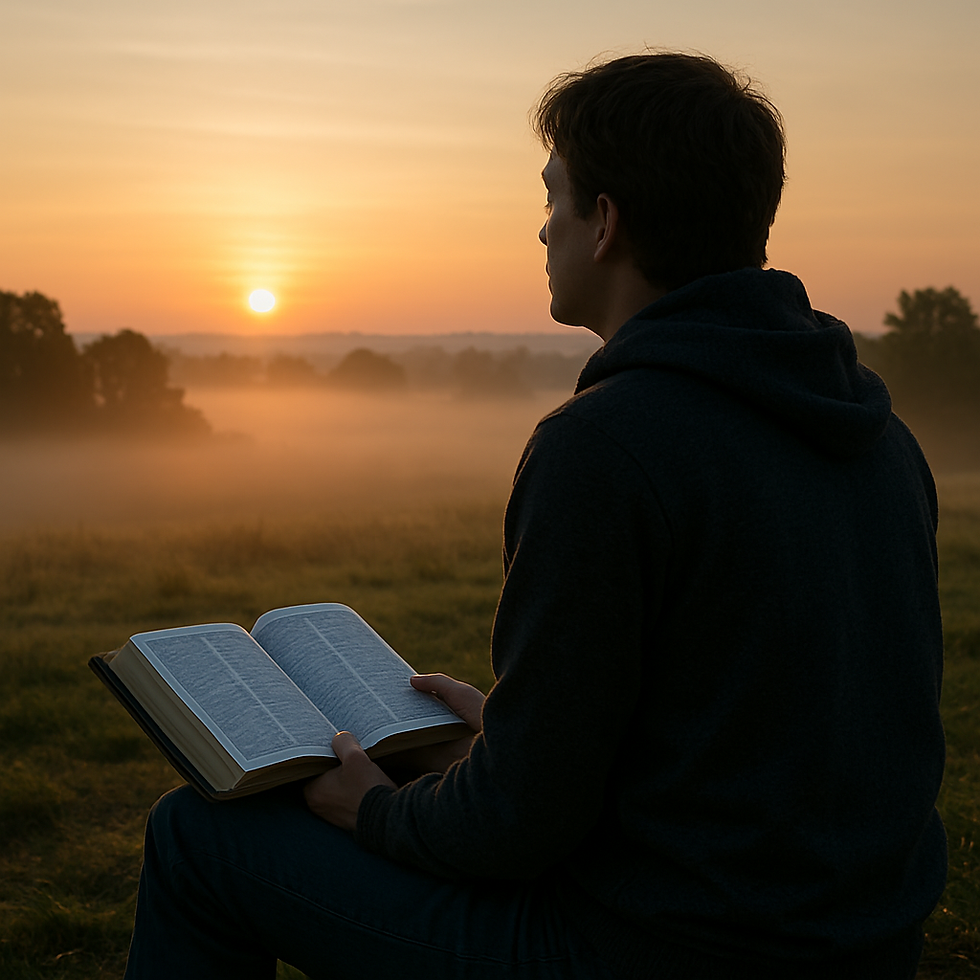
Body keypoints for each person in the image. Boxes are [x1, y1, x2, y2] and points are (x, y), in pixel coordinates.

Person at [124, 53, 946, 980]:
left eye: (554, 196)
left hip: (651, 951)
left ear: (606, 223)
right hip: (865, 946)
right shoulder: (879, 436)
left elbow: (515, 828)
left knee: (199, 838)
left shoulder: (606, 446)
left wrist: (378, 810)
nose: (543, 225)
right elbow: (761, 725)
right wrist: (510, 736)